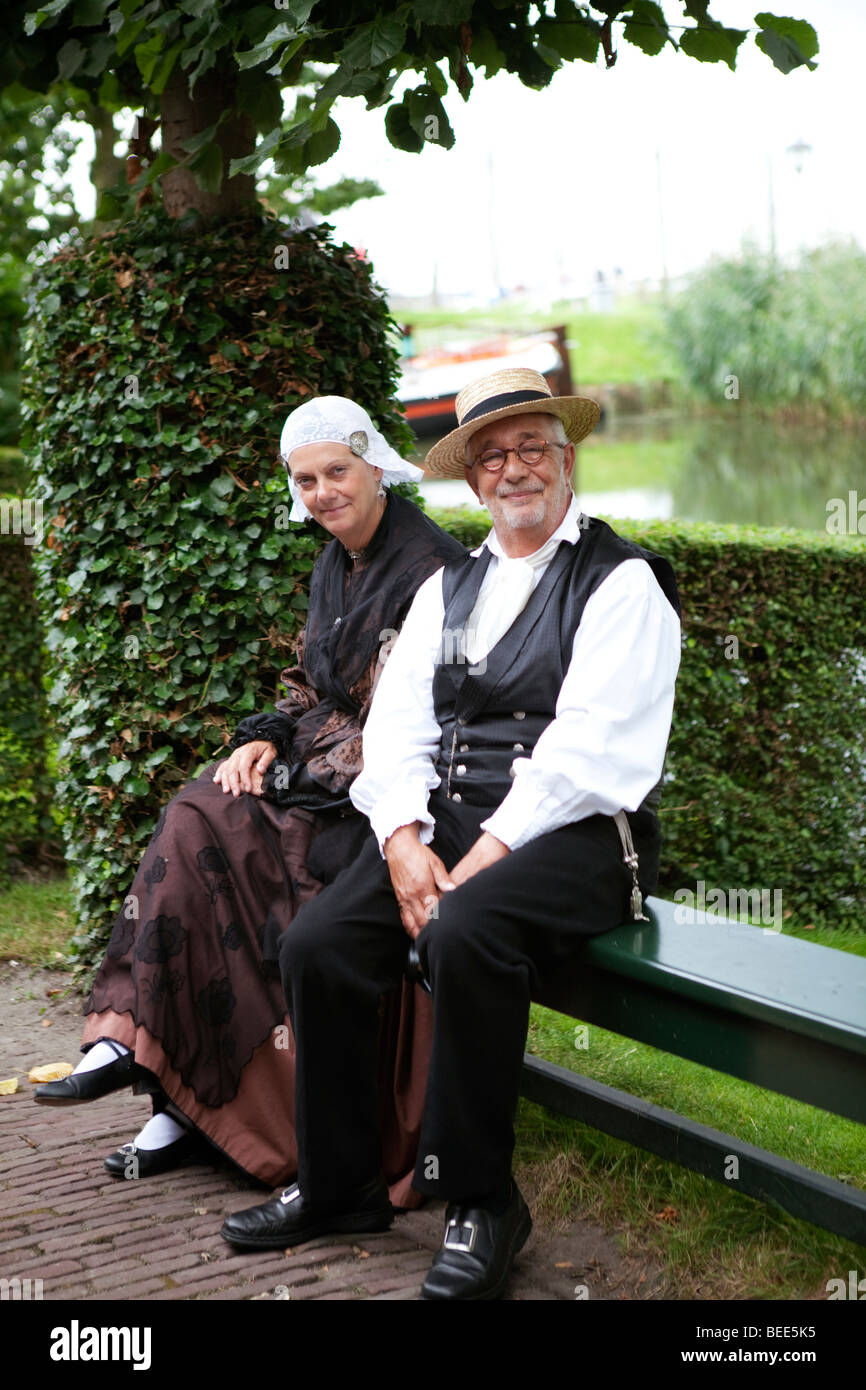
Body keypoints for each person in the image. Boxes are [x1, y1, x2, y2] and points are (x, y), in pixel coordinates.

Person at [220, 366, 682, 1299]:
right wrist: (400, 839)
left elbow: (586, 755)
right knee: (320, 944)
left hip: (585, 837)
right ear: (472, 480)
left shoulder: (622, 582)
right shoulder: (453, 587)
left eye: (531, 448)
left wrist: (475, 863)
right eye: (494, 456)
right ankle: (340, 1185)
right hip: (453, 829)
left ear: (566, 456)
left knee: (464, 930)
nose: (515, 469)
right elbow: (399, 732)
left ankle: (483, 1202)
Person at [33, 396, 466, 1208]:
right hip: (322, 774)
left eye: (337, 472)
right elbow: (314, 682)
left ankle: (169, 1079)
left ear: (376, 466)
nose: (322, 492)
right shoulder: (334, 562)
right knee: (197, 812)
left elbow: (407, 724)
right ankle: (155, 1075)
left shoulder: (431, 569)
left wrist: (287, 775)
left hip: (385, 797)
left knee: (223, 838)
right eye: (305, 479)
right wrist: (266, 735)